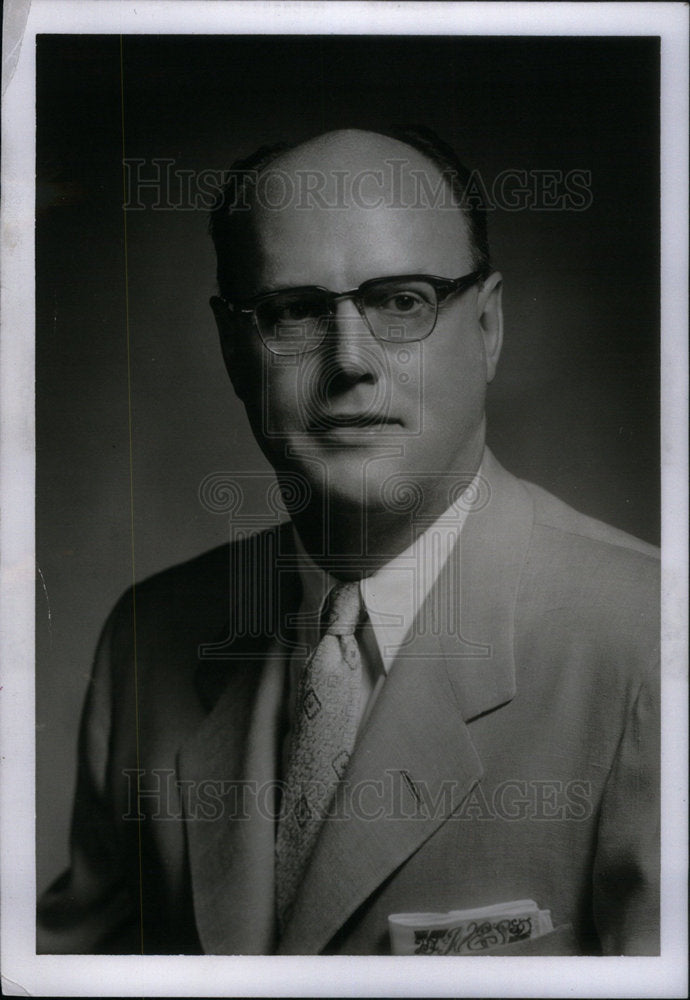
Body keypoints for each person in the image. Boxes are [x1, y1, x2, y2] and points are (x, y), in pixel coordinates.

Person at [37, 127, 659, 956]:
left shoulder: (651, 643)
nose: (350, 363)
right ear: (232, 348)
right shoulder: (147, 637)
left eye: (402, 300)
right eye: (293, 310)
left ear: (489, 327)